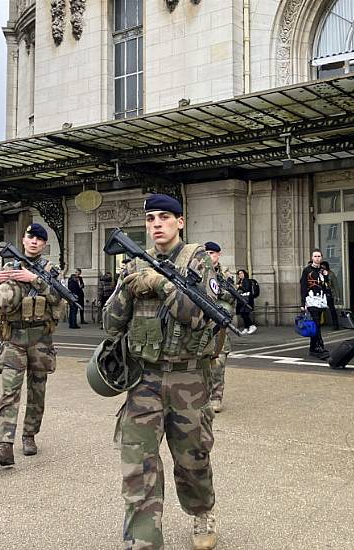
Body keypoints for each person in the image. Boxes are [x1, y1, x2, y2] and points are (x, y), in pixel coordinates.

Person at [103, 194, 218, 550]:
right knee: (138, 462)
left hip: (188, 379)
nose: (156, 223)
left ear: (180, 222)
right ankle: (144, 538)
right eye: (151, 217)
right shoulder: (133, 265)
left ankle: (202, 512)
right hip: (144, 378)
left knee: (192, 460)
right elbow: (110, 324)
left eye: (164, 216)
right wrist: (127, 286)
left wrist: (158, 283)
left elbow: (199, 316)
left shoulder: (198, 260)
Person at [0, 223, 67, 466]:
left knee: (37, 391)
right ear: (23, 239)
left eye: (39, 239)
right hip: (13, 339)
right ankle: (4, 446)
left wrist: (35, 280)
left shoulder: (51, 270)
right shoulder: (7, 268)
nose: (34, 242)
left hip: (40, 338)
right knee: (9, 391)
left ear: (44, 244)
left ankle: (29, 435)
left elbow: (57, 298)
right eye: (30, 237)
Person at [205, 241, 235, 413]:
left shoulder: (225, 275)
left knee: (218, 361)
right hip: (201, 323)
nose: (209, 256)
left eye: (212, 253)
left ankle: (216, 397)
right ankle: (202, 395)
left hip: (219, 324)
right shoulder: (199, 272)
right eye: (207, 253)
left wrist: (218, 291)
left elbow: (232, 298)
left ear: (218, 254)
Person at [300, 249, 330, 359]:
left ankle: (313, 348)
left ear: (321, 258)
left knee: (316, 324)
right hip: (311, 299)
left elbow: (325, 285)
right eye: (315, 256)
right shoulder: (307, 270)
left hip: (320, 299)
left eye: (319, 256)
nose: (317, 258)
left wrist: (326, 276)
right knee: (316, 322)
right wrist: (303, 303)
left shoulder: (322, 270)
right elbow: (303, 286)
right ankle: (319, 346)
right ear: (312, 258)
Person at [236, 269, 257, 334]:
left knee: (245, 314)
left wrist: (240, 286)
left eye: (241, 273)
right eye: (239, 274)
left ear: (244, 274)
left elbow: (247, 289)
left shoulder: (247, 281)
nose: (240, 275)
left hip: (247, 300)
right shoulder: (240, 281)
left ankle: (251, 326)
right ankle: (246, 328)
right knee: (243, 314)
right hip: (242, 300)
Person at [321, 261, 340, 330]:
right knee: (319, 309)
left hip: (329, 293)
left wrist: (337, 296)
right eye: (321, 266)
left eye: (324, 267)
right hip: (320, 294)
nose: (322, 268)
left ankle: (336, 325)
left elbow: (335, 285)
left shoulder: (331, 274)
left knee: (332, 309)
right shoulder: (319, 274)